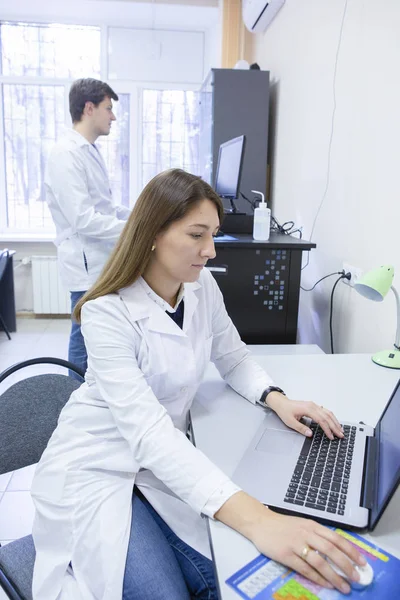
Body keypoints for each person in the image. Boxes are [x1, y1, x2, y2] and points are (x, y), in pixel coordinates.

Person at [31, 169, 366, 600]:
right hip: (95, 466)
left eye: (214, 234)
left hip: (160, 466)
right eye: (197, 234)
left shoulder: (200, 286)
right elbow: (149, 433)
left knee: (224, 578)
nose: (210, 250)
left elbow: (233, 356)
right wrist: (261, 520)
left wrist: (276, 398)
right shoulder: (106, 313)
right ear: (152, 233)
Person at [45, 78, 131, 377]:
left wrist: (142, 217)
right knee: (82, 336)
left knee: (94, 333)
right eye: (108, 108)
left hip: (99, 260)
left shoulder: (88, 150)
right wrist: (134, 230)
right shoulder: (65, 153)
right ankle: (73, 398)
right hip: (85, 264)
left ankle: (90, 393)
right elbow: (83, 219)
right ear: (89, 107)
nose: (113, 116)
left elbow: (105, 206)